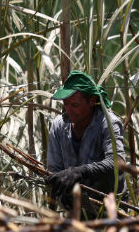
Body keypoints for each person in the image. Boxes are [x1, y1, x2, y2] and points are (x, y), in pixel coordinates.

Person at [45, 70, 126, 209]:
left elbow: (117, 162)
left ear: (92, 101)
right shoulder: (59, 126)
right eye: (65, 104)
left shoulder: (108, 123)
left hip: (109, 208)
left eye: (75, 105)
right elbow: (55, 169)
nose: (68, 110)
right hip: (76, 209)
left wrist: (80, 171)